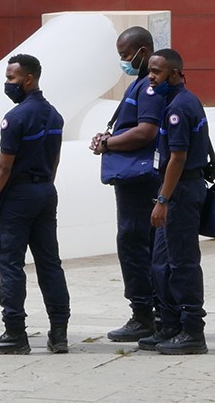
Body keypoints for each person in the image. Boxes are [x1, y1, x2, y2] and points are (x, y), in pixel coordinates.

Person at [0, 54, 70, 355]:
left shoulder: (15, 118)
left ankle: (15, 332)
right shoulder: (55, 115)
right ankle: (59, 333)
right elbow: (54, 159)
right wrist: (44, 185)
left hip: (18, 197)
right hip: (45, 192)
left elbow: (2, 168)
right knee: (49, 263)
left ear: (28, 79)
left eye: (11, 78)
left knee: (10, 264)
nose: (8, 83)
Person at [89, 27, 161, 342]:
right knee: (146, 244)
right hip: (139, 180)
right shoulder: (142, 84)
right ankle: (155, 311)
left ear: (142, 51)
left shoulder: (148, 87)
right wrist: (109, 136)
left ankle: (144, 314)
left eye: (125, 55)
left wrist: (109, 144)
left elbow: (145, 132)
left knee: (132, 242)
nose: (124, 61)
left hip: (138, 181)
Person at [137, 49, 208, 355]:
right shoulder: (177, 102)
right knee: (161, 263)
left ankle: (192, 331)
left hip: (180, 193)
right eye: (150, 71)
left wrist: (162, 200)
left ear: (176, 73)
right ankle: (171, 323)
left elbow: (177, 159)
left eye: (157, 72)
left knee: (183, 263)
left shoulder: (179, 106)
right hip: (178, 190)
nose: (151, 77)